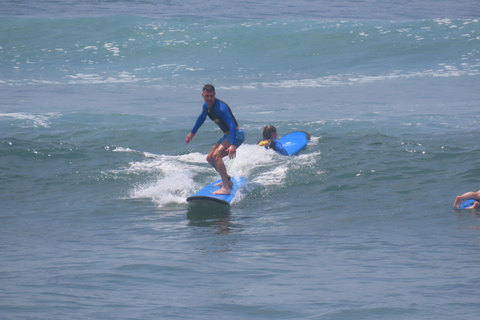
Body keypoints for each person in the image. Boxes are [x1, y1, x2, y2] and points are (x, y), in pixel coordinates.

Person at [185, 84, 245, 195]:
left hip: (236, 134)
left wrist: (232, 144)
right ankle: (227, 180)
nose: (209, 98)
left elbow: (232, 125)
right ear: (202, 95)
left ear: (215, 95)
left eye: (211, 96)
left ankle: (226, 188)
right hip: (226, 135)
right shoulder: (206, 107)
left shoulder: (221, 108)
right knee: (210, 158)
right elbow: (202, 118)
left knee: (216, 156)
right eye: (207, 96)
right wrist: (192, 133)